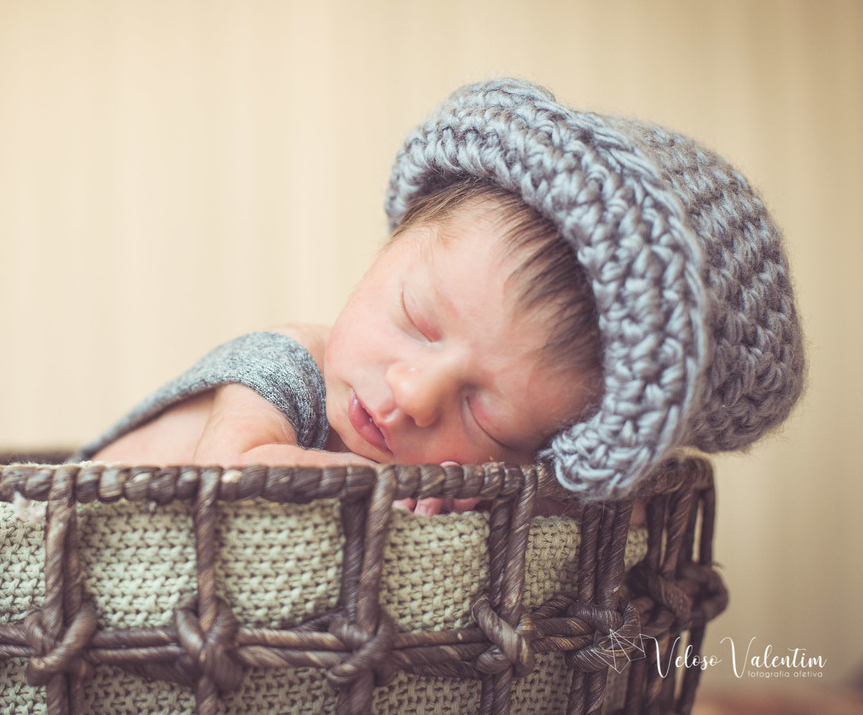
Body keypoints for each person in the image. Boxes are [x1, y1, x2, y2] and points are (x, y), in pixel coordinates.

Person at [80, 78, 806, 508]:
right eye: (417, 321)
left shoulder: (473, 459)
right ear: (390, 245)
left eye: (487, 417)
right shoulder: (286, 368)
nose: (415, 392)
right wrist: (391, 494)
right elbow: (227, 474)